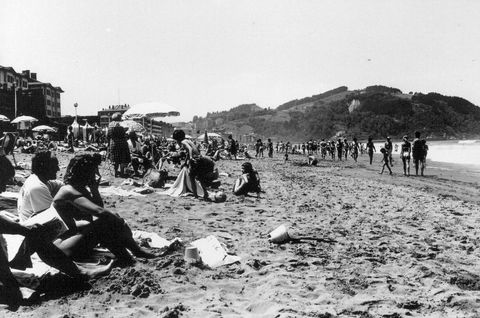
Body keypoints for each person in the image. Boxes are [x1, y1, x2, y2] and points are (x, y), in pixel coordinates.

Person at [17, 151, 154, 264]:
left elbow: (98, 208)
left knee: (105, 221)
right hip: (57, 247)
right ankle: (132, 255)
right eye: (92, 172)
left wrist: (95, 190)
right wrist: (118, 223)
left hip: (66, 240)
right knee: (104, 222)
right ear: (86, 173)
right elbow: (100, 212)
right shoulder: (68, 191)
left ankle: (132, 255)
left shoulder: (77, 189)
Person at [170, 130, 217, 200]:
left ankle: (195, 196)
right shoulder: (188, 141)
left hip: (194, 160)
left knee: (192, 178)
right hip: (200, 159)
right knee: (200, 178)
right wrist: (186, 162)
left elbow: (189, 149)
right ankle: (205, 193)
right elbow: (188, 153)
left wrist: (191, 157)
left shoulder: (183, 142)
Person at [107, 113, 131, 177]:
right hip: (122, 144)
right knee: (122, 159)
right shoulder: (122, 124)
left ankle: (115, 173)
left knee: (115, 159)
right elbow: (124, 135)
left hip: (113, 144)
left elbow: (107, 136)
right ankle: (122, 173)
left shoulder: (110, 125)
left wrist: (109, 143)